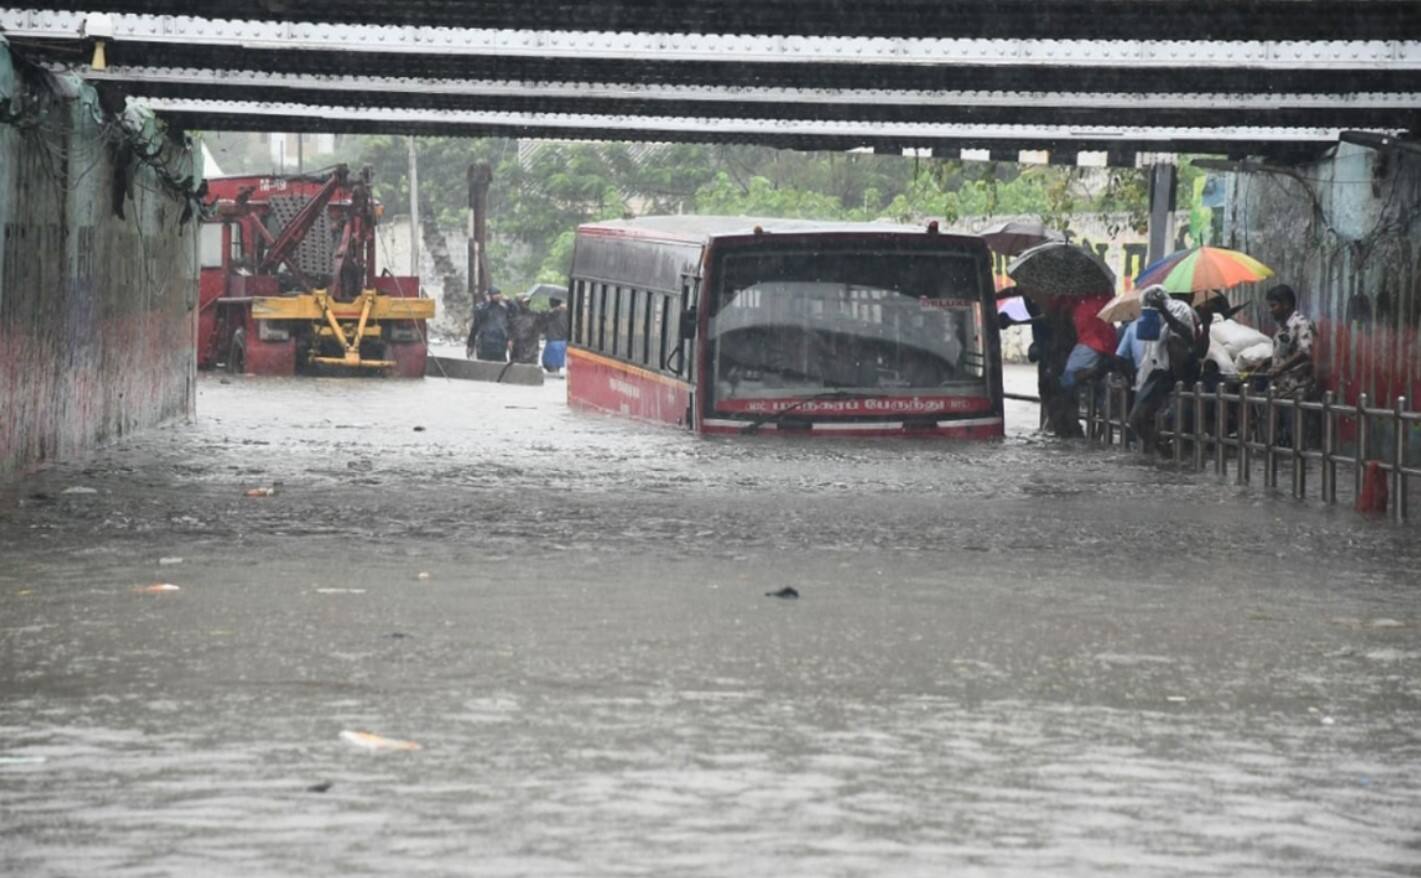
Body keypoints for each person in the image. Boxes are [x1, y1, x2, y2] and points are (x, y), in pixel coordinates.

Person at [1126, 285, 1200, 451]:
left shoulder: (1180, 308)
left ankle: (1161, 453)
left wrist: (1164, 312)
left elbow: (1186, 335)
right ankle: (1160, 452)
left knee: (1138, 419)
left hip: (1169, 371)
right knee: (1138, 419)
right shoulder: (1152, 314)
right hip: (1156, 369)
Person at [1264, 283, 1318, 446]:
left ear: (1286, 304)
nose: (1270, 310)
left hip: (1296, 390)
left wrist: (1280, 368)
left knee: (1297, 441)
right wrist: (1266, 362)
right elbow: (1283, 354)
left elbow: (1305, 352)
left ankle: (1298, 470)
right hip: (1281, 390)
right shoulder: (1282, 329)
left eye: (1273, 305)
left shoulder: (1302, 324)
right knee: (1280, 442)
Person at [466, 287, 512, 362]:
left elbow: (509, 323)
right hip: (485, 344)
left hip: (500, 344)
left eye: (498, 294)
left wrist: (509, 301)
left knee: (500, 367)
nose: (497, 297)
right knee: (484, 366)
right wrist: (470, 344)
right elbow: (475, 327)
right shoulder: (481, 308)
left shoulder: (503, 309)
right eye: (495, 295)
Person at [508, 295, 542, 365]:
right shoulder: (513, 316)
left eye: (527, 303)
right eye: (524, 303)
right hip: (518, 350)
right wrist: (510, 340)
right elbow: (511, 331)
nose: (526, 305)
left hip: (531, 351)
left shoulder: (535, 315)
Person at [541, 298, 569, 375]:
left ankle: (554, 370)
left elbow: (543, 326)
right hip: (562, 342)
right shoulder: (565, 313)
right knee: (556, 364)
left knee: (548, 364)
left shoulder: (549, 314)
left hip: (552, 341)